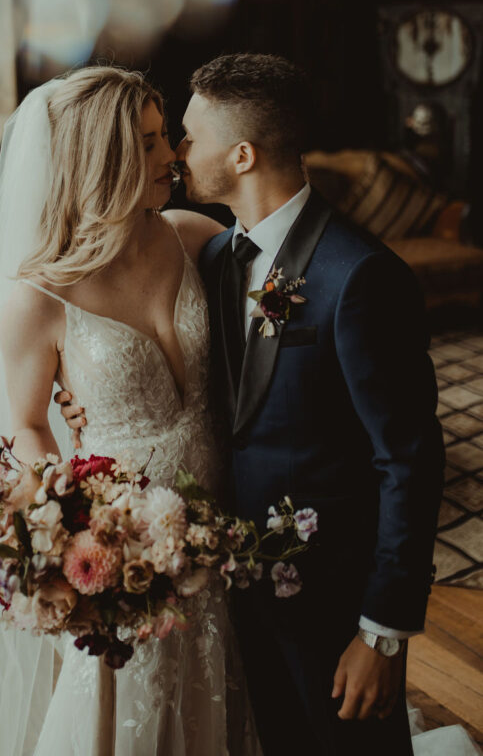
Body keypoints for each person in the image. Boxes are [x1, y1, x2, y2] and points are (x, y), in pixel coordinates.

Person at [61, 54, 448, 756]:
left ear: (240, 155)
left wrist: (382, 634)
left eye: (186, 136)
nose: (177, 154)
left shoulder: (359, 278)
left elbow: (410, 461)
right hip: (227, 595)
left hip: (330, 602)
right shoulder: (211, 259)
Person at [0, 65, 257, 756]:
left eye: (167, 138)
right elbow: (30, 421)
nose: (172, 157)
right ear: (106, 157)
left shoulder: (191, 237)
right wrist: (73, 525)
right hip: (131, 547)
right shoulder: (39, 298)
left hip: (226, 519)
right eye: (152, 143)